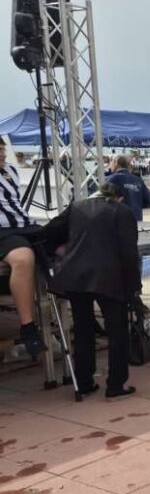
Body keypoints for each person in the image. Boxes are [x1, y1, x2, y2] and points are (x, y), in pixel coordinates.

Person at [44, 183, 139, 397]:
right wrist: (134, 284)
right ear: (119, 198)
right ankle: (116, 384)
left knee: (83, 329)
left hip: (77, 276)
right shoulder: (122, 212)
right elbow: (129, 252)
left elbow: (49, 231)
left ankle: (84, 382)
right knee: (116, 331)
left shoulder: (76, 207)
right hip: (111, 276)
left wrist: (60, 250)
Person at [0, 138, 46, 356]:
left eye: (2, 151)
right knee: (23, 258)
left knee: (72, 243)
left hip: (25, 225)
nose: (2, 155)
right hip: (3, 231)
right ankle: (28, 327)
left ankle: (83, 312)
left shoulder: (10, 171)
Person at [105, 155, 150, 222]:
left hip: (118, 221)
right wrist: (136, 206)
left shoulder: (111, 179)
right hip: (136, 220)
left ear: (116, 163)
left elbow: (101, 201)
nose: (110, 165)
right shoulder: (138, 180)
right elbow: (148, 200)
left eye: (111, 162)